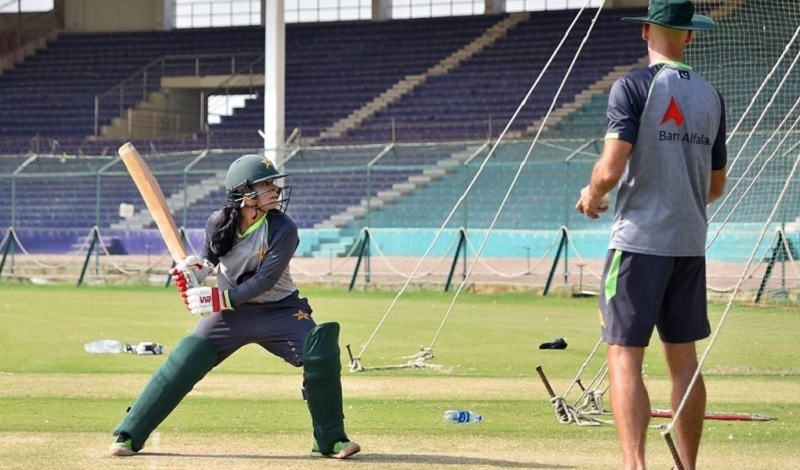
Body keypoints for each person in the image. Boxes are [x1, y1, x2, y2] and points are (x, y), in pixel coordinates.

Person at [109, 153, 360, 459]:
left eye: (274, 184)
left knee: (319, 351)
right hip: (230, 315)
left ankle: (331, 439)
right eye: (266, 184)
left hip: (280, 310)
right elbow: (210, 259)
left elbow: (265, 280)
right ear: (244, 193)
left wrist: (217, 298)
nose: (275, 190)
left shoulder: (283, 229)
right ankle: (129, 433)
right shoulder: (218, 221)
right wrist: (194, 270)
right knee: (186, 358)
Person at [575, 1, 726, 469]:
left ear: (645, 32)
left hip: (639, 242)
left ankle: (635, 466)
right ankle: (687, 466)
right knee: (684, 359)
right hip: (689, 242)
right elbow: (716, 186)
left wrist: (592, 193)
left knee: (623, 355)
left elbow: (610, 168)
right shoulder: (711, 95)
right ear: (690, 36)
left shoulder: (632, 86)